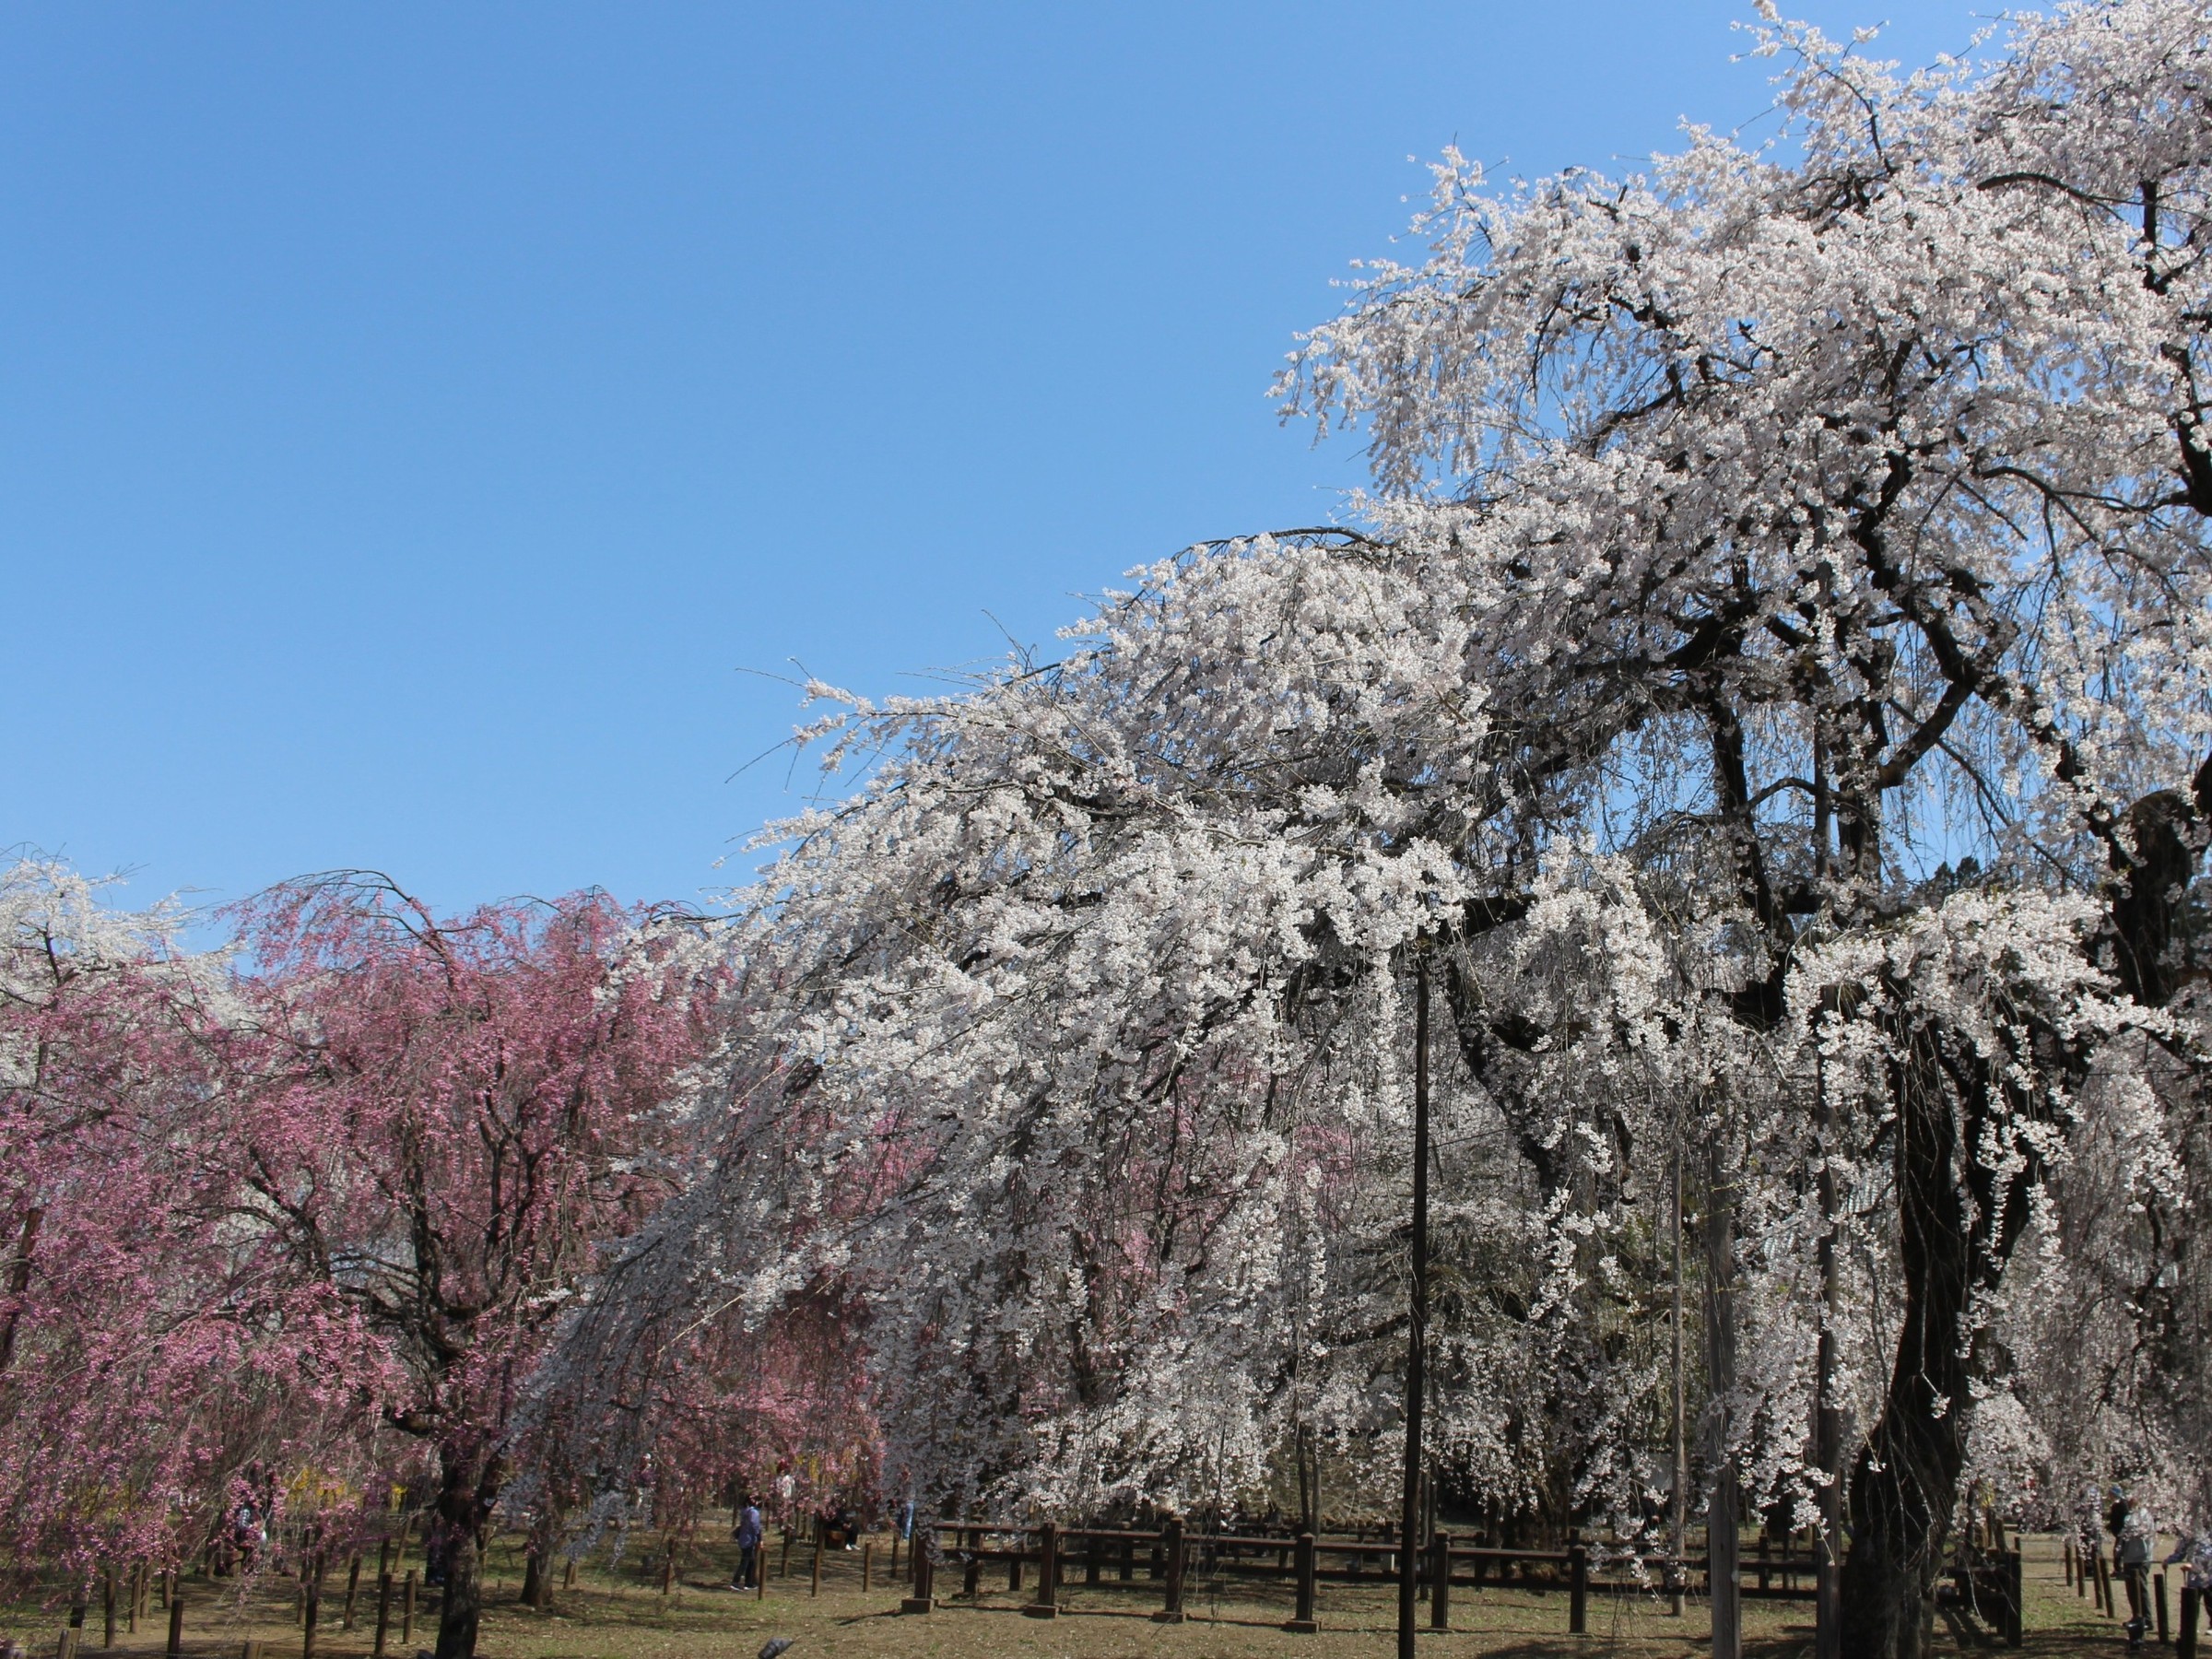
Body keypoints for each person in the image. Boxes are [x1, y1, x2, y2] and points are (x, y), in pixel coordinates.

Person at [2118, 1490, 2157, 1650]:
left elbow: (2142, 1531)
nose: (2129, 1501)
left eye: (2131, 1498)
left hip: (2141, 1557)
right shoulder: (2129, 1515)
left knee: (2140, 1588)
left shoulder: (2144, 1514)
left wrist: (2128, 1531)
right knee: (2131, 1589)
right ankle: (2137, 1616)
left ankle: (2146, 1619)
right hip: (2129, 1557)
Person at [730, 1495, 763, 1591]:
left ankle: (748, 1583)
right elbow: (755, 1526)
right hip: (748, 1539)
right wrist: (759, 1539)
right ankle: (735, 1582)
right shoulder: (753, 1512)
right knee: (745, 1561)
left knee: (751, 1561)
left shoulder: (745, 1511)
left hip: (743, 1538)